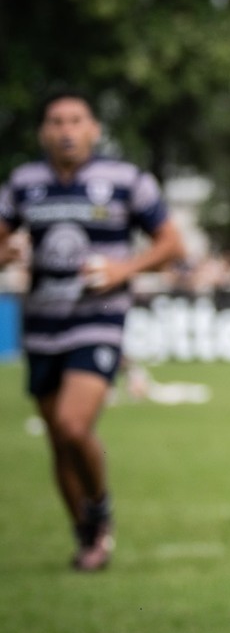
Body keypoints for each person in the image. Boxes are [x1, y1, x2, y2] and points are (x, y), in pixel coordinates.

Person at [1, 92, 185, 570]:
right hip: (41, 324)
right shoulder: (24, 183)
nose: (66, 130)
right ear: (44, 131)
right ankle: (87, 537)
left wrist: (126, 268)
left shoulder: (126, 181)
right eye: (56, 121)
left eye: (76, 121)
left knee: (71, 424)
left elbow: (171, 242)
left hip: (97, 320)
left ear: (94, 129)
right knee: (58, 441)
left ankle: (98, 508)